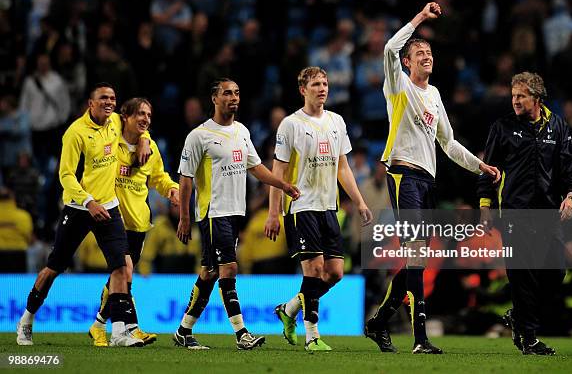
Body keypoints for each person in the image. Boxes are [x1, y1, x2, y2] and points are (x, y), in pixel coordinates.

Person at [365, 2, 500, 354]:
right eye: (419, 52)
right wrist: (421, 19)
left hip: (427, 181)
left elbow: (449, 143)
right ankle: (420, 339)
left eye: (429, 51)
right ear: (407, 63)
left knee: (417, 260)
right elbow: (389, 48)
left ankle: (379, 323)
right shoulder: (398, 88)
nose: (426, 55)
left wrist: (479, 167)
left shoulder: (435, 95)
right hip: (403, 175)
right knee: (414, 254)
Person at [16, 83, 151, 347]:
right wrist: (89, 202)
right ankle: (26, 320)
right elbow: (65, 176)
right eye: (103, 98)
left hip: (109, 206)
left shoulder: (114, 121)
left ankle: (119, 333)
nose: (109, 102)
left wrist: (145, 141)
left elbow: (138, 126)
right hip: (79, 209)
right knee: (54, 268)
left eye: (112, 98)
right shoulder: (75, 133)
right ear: (91, 103)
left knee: (121, 267)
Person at [173, 78, 300, 350]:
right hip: (212, 212)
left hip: (234, 213)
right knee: (228, 268)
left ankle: (184, 331)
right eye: (227, 93)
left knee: (209, 272)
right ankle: (242, 333)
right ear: (214, 99)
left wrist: (283, 185)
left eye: (237, 93)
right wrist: (184, 217)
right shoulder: (199, 135)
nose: (234, 97)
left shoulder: (242, 131)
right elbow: (185, 179)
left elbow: (255, 167)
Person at [264, 66, 374, 352]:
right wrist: (273, 212)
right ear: (303, 89)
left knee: (335, 273)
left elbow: (343, 167)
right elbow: (279, 170)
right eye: (316, 84)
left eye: (325, 83)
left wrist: (359, 201)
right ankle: (312, 335)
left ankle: (288, 309)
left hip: (329, 207)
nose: (322, 88)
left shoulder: (337, 121)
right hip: (301, 206)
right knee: (313, 270)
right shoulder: (291, 124)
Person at [478, 72, 572, 355]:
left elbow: (569, 166)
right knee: (522, 275)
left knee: (555, 272)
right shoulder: (503, 127)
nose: (515, 101)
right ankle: (529, 338)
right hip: (514, 212)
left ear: (537, 98)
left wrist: (571, 196)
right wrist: (485, 207)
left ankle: (519, 318)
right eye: (513, 96)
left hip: (548, 213)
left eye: (521, 96)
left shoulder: (557, 126)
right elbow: (488, 169)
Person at [88, 97, 179, 347]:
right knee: (124, 270)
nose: (145, 119)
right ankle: (128, 328)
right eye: (140, 114)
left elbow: (159, 177)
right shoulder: (111, 138)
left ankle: (98, 326)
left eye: (149, 116)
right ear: (125, 116)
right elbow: (110, 119)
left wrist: (171, 189)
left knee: (122, 277)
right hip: (113, 219)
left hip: (138, 223)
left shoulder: (151, 149)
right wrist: (143, 137)